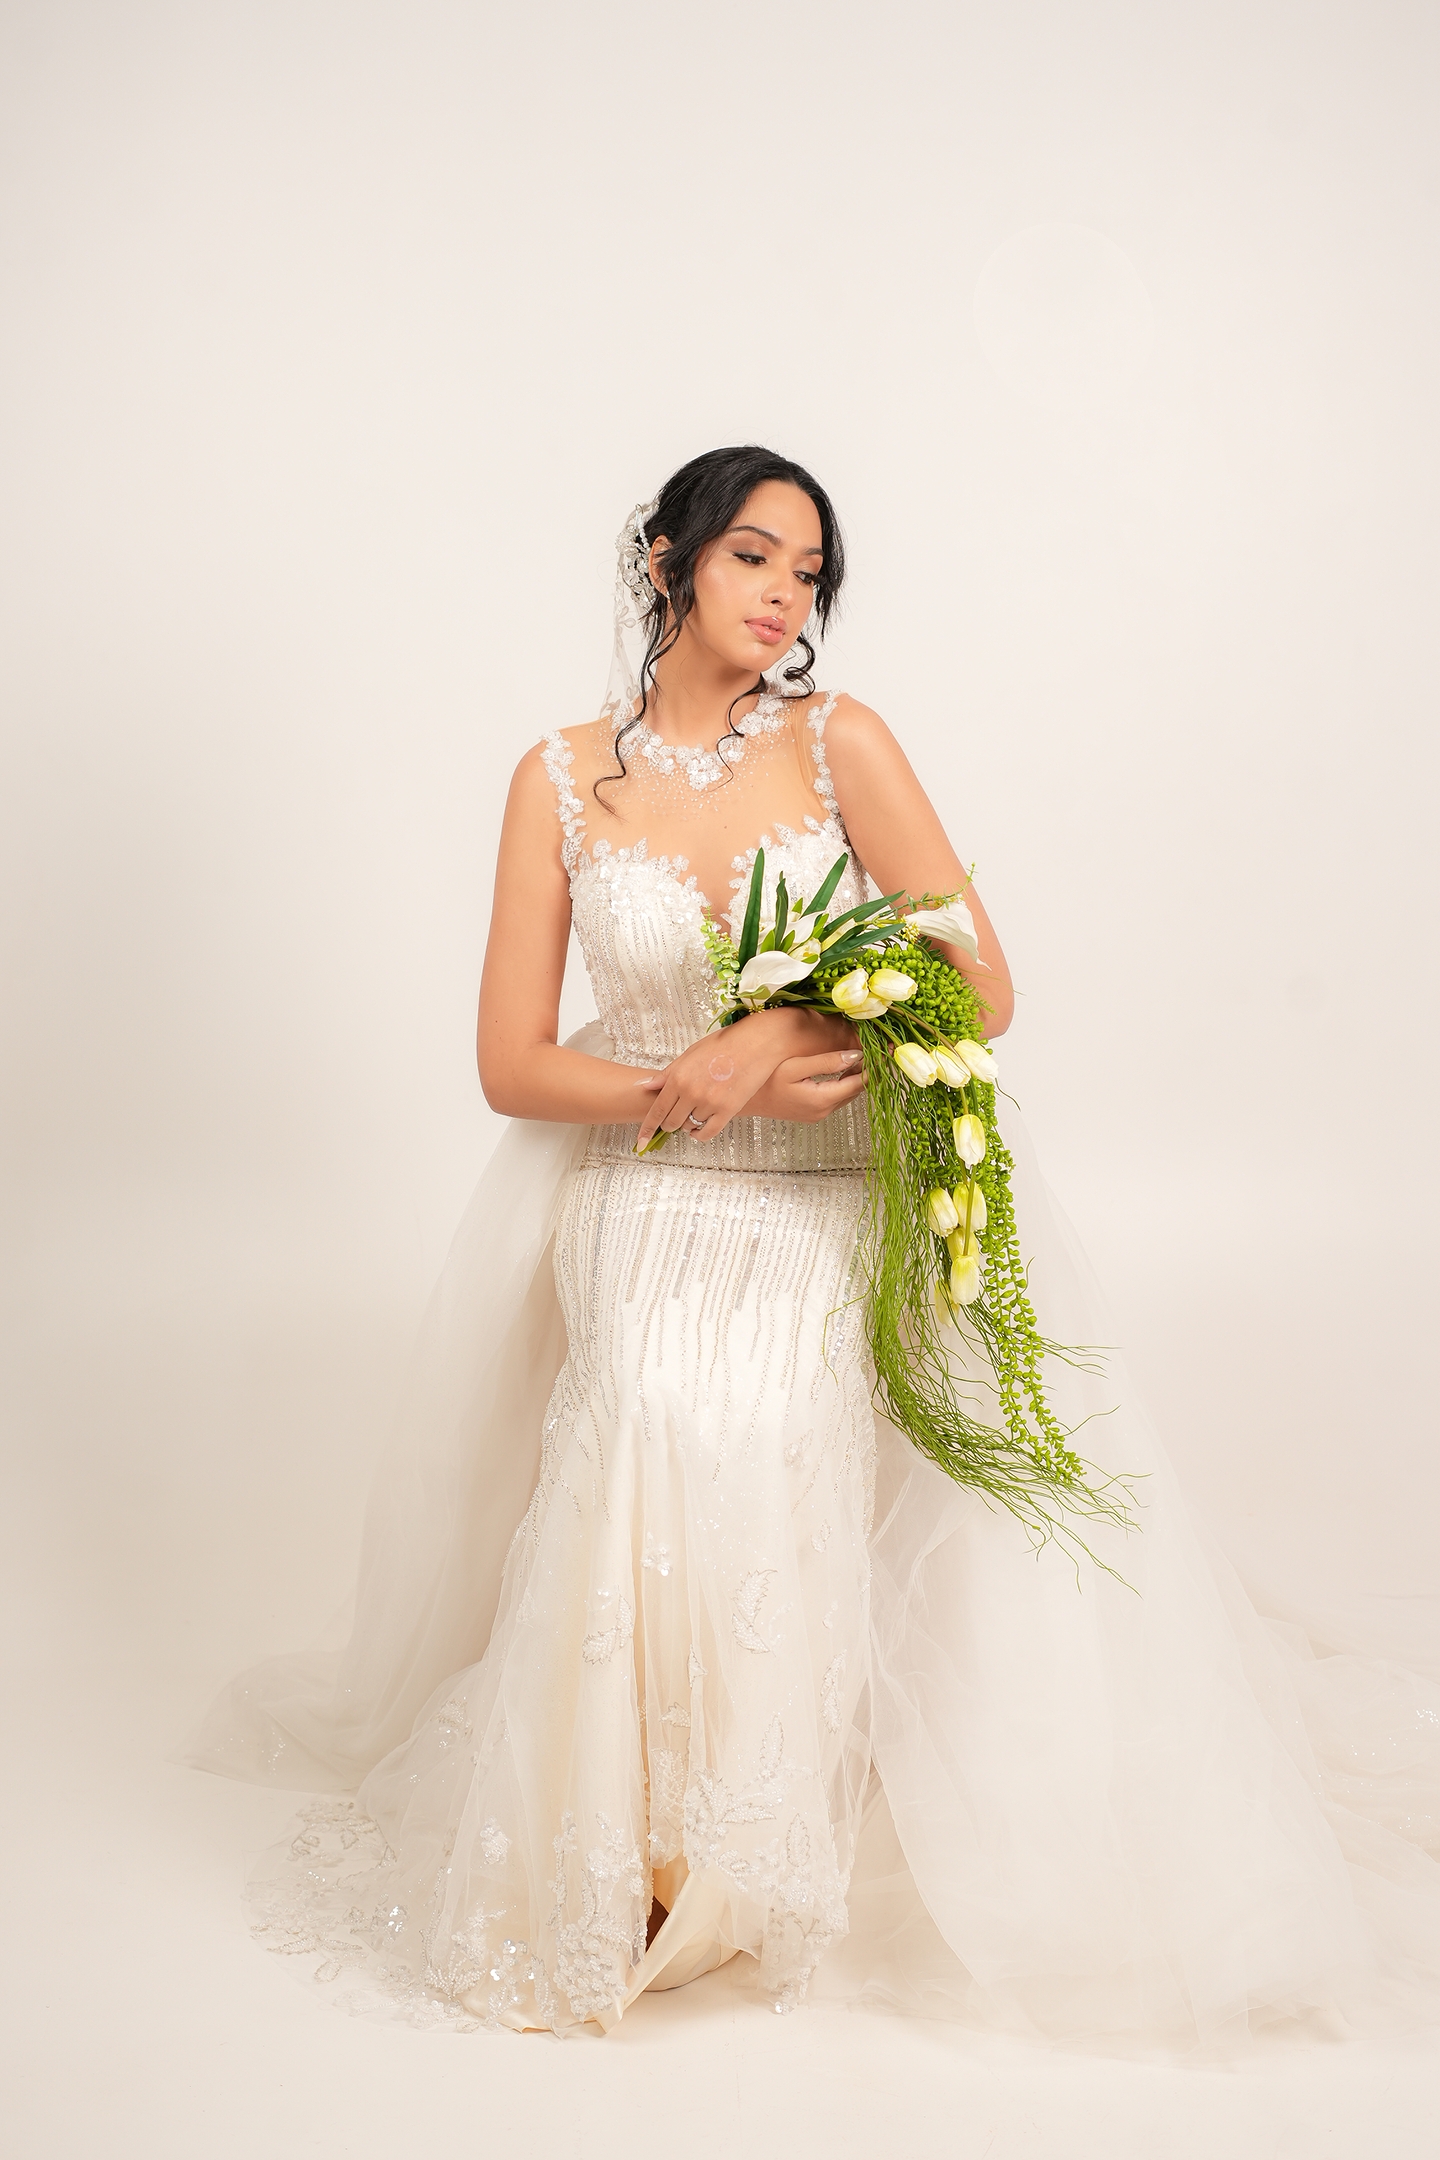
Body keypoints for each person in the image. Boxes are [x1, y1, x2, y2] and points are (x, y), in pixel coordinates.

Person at [189, 445, 1440, 2046]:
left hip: (831, 1184)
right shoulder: (559, 780)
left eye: (809, 574)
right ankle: (624, 1843)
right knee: (648, 1409)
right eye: (753, 557)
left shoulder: (842, 742)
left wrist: (784, 1029)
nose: (785, 596)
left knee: (767, 1423)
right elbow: (511, 1064)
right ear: (666, 560)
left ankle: (747, 1845)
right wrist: (690, 1085)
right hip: (647, 1180)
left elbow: (979, 984)